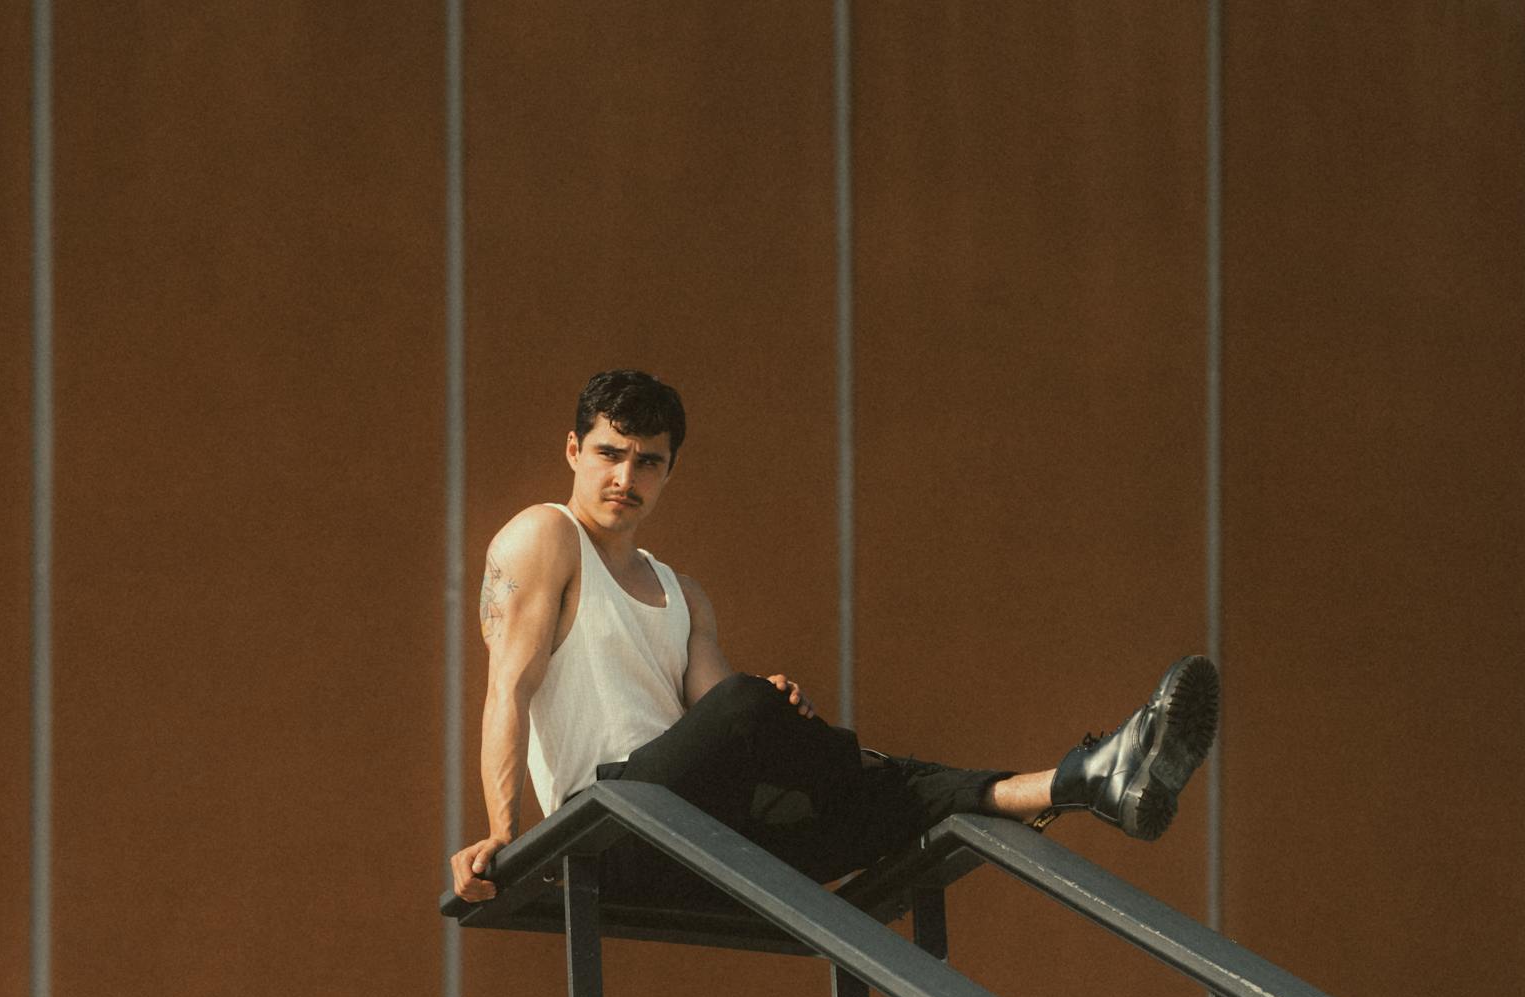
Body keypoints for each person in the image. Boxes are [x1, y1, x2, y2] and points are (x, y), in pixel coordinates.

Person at [449, 369, 1218, 907]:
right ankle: (1071, 773)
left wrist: (778, 717)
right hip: (607, 830)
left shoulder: (683, 594)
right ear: (573, 452)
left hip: (696, 838)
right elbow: (507, 691)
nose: (626, 477)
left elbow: (723, 717)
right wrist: (505, 836)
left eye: (648, 463)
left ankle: (1084, 781)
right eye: (610, 454)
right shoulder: (543, 536)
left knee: (890, 805)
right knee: (766, 715)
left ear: (669, 472)